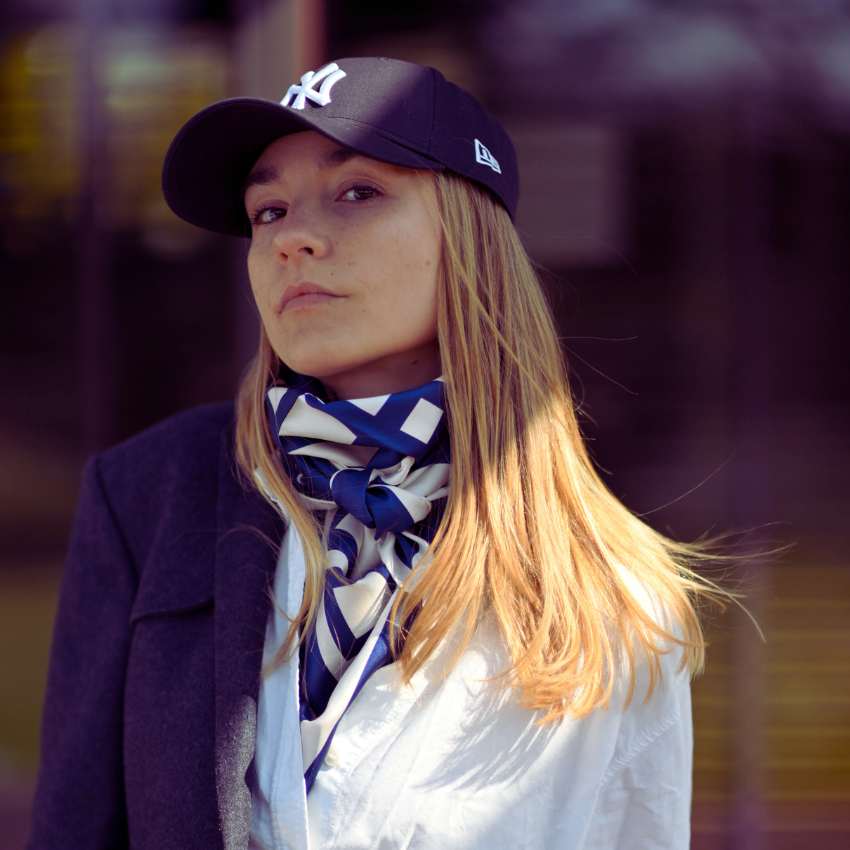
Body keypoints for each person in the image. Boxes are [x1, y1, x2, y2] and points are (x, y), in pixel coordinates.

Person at [27, 57, 723, 850]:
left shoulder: (618, 595)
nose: (293, 237)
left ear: (469, 239)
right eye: (268, 210)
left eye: (358, 192)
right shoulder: (148, 495)